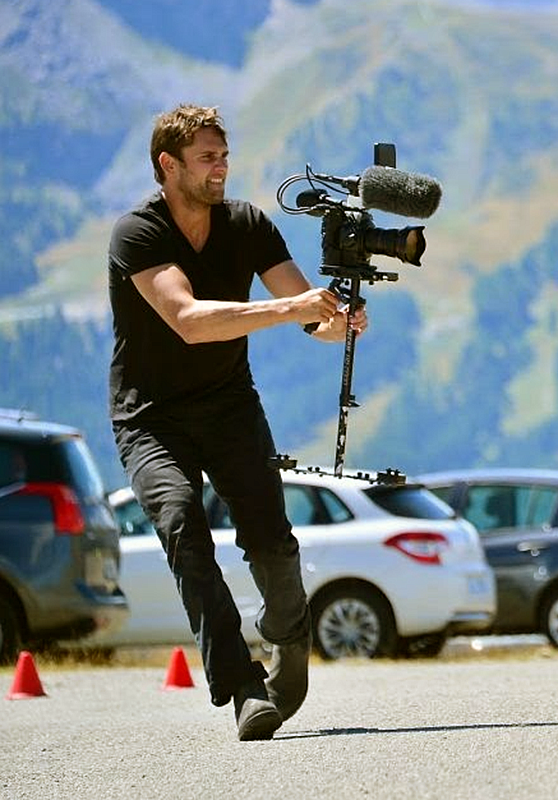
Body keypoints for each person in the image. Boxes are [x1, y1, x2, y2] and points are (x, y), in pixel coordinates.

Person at [108, 104, 368, 740]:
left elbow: (314, 319)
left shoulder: (248, 223)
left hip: (228, 404)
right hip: (150, 417)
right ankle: (244, 686)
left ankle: (289, 639)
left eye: (224, 155)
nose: (221, 168)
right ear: (169, 166)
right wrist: (294, 308)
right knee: (182, 529)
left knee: (271, 537)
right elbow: (190, 320)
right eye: (207, 158)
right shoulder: (137, 233)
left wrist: (340, 318)